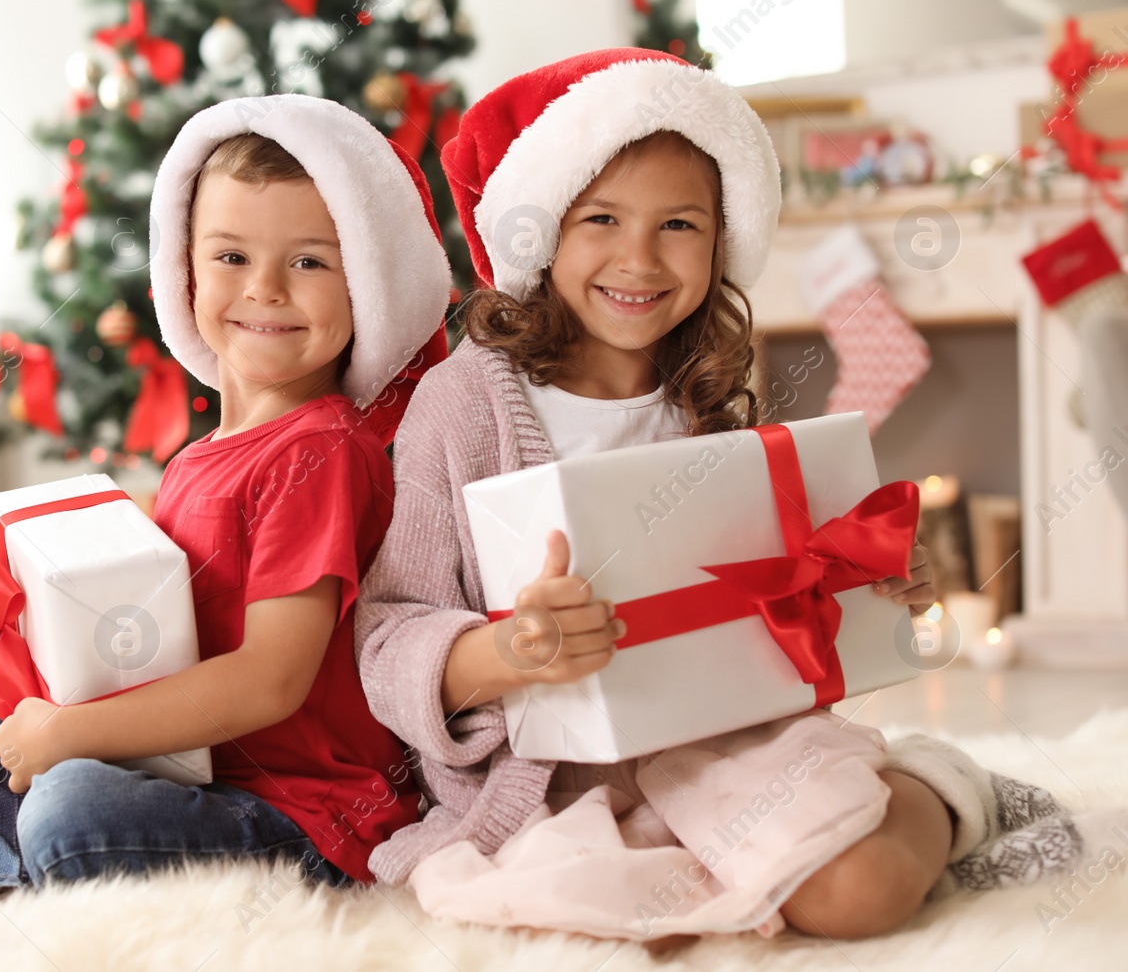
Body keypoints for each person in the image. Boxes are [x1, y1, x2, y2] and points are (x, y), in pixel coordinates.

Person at [356, 48, 1101, 942]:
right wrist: (504, 652)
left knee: (855, 892)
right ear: (542, 229)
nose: (639, 258)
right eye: (600, 218)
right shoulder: (464, 401)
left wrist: (878, 574)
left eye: (679, 225)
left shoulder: (705, 390)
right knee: (586, 920)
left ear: (720, 240)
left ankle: (942, 789)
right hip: (551, 786)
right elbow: (391, 629)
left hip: (735, 750)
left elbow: (781, 586)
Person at [0, 93, 452, 913]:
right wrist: (35, 640)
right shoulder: (195, 460)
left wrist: (69, 733)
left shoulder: (320, 453)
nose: (266, 290)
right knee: (1, 751)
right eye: (231, 257)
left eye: (310, 262)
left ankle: (33, 866)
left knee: (71, 804)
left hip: (298, 809)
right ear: (186, 271)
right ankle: (5, 877)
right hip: (192, 766)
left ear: (370, 282)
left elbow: (271, 681)